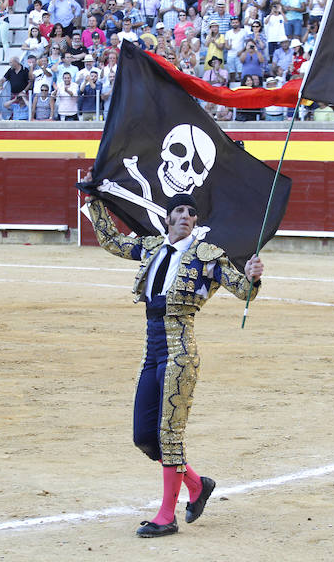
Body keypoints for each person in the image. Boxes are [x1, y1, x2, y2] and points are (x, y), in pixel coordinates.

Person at [80, 180, 264, 538]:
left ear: (196, 222)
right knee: (144, 436)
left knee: (169, 434)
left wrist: (253, 278)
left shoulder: (206, 256)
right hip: (152, 352)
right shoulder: (151, 248)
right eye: (179, 210)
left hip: (181, 352)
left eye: (191, 212)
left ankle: (167, 515)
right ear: (167, 219)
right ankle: (197, 485)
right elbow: (111, 241)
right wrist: (94, 200)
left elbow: (243, 290)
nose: (186, 216)